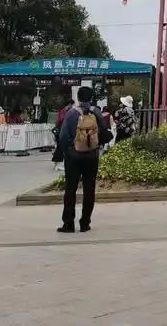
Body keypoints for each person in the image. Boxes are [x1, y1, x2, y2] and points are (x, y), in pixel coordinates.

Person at [57, 86, 110, 233]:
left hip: (73, 157)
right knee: (89, 189)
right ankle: (85, 223)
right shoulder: (96, 112)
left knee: (70, 189)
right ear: (91, 98)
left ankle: (68, 223)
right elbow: (104, 132)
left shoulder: (71, 113)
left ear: (78, 98)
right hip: (92, 156)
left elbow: (63, 136)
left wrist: (69, 149)